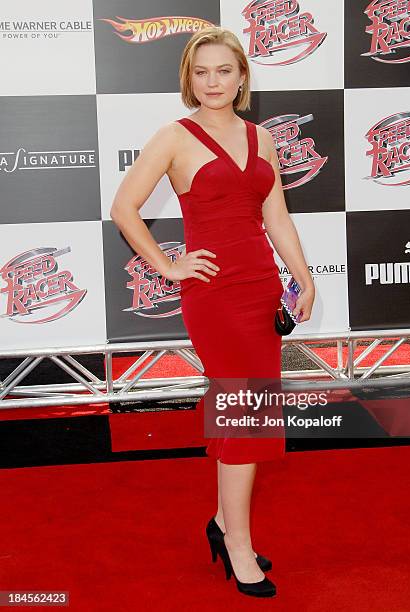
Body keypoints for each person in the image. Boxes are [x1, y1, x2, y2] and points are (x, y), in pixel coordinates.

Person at [110, 26, 315, 598]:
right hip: (215, 295)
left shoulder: (262, 138)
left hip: (261, 287)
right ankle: (239, 545)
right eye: (201, 72)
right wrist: (167, 265)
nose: (212, 81)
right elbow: (124, 207)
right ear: (189, 78)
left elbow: (276, 216)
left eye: (223, 70)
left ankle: (225, 525)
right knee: (246, 414)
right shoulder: (174, 137)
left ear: (242, 75)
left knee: (242, 410)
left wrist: (302, 276)